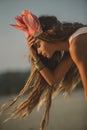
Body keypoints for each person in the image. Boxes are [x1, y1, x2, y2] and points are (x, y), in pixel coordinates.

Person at [0, 10, 87, 130]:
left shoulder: (77, 46)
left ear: (46, 36)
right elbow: (53, 80)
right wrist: (35, 57)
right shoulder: (73, 45)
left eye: (38, 45)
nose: (39, 51)